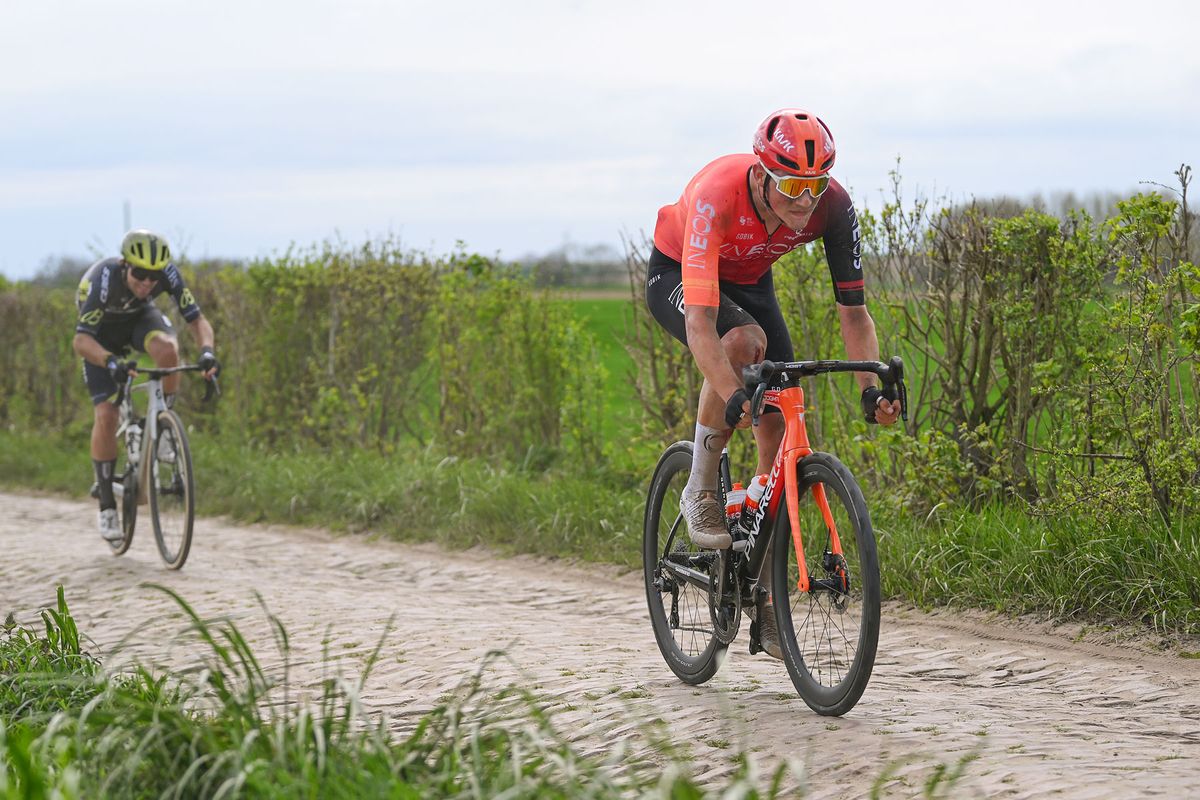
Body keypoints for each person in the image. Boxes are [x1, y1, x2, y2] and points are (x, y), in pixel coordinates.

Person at [646, 109, 900, 657]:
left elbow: (854, 314)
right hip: (679, 275)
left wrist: (870, 389)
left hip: (749, 282)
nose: (804, 200)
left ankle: (761, 595)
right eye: (791, 185)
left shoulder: (833, 207)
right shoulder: (719, 194)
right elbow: (699, 324)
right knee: (741, 344)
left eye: (815, 185)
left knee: (782, 420)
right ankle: (699, 485)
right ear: (761, 174)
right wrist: (733, 392)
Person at [73, 229, 219, 542]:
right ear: (125, 264)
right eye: (140, 274)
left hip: (139, 319)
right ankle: (108, 506)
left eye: (153, 277)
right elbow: (81, 340)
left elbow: (197, 320)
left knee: (168, 349)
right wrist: (110, 361)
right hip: (100, 337)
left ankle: (164, 424)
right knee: (106, 413)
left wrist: (207, 352)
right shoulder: (103, 281)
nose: (147, 283)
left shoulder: (166, 274)